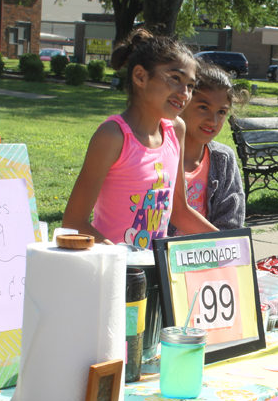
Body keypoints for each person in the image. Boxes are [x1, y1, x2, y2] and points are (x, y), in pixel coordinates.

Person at [63, 28, 216, 248]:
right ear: (140, 76)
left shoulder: (176, 130)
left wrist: (234, 244)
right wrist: (121, 260)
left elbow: (180, 211)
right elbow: (74, 222)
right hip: (113, 272)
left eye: (191, 86)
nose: (185, 94)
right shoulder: (113, 136)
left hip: (155, 272)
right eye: (175, 78)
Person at [178, 62, 246, 230]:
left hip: (209, 254)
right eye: (203, 107)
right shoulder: (159, 154)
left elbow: (231, 223)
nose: (213, 120)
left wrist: (220, 246)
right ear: (182, 102)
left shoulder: (222, 159)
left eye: (221, 112)